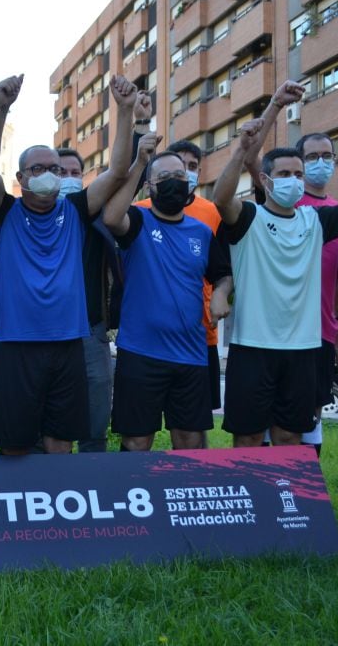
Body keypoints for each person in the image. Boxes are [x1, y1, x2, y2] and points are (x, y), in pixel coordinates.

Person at [0, 74, 136, 456]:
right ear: (20, 179)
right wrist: (1, 109)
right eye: (38, 169)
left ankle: (55, 515)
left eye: (55, 168)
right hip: (16, 346)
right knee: (14, 444)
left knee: (60, 441)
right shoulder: (5, 213)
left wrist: (126, 111)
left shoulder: (75, 211)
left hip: (68, 344)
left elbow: (115, 172)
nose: (49, 175)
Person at [212, 110, 338, 448]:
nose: (293, 180)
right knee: (247, 437)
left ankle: (284, 500)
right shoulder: (249, 217)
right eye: (284, 174)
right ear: (265, 180)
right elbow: (221, 198)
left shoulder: (316, 220)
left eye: (298, 174)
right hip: (253, 346)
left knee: (290, 436)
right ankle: (252, 500)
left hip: (303, 349)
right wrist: (239, 150)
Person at [103, 133, 233, 451]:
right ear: (150, 186)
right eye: (164, 177)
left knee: (190, 440)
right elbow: (110, 217)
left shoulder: (202, 232)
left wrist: (221, 293)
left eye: (180, 175)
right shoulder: (137, 221)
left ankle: (188, 499)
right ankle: (134, 499)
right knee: (136, 441)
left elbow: (223, 274)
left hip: (191, 354)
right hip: (140, 353)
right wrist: (141, 163)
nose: (174, 181)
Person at [242, 81, 338, 455]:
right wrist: (274, 105)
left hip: (316, 333)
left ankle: (300, 502)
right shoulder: (279, 198)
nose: (320, 163)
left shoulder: (335, 211)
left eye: (327, 155)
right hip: (269, 332)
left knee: (305, 422)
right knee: (260, 430)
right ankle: (261, 497)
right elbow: (250, 156)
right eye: (312, 156)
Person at [69, 91, 152, 452]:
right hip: (41, 334)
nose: (68, 178)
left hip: (90, 332)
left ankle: (92, 497)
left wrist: (140, 125)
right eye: (60, 172)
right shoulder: (28, 219)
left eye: (75, 172)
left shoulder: (88, 212)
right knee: (45, 432)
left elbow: (125, 178)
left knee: (94, 426)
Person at [133, 136, 224, 415]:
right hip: (144, 341)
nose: (182, 173)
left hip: (200, 337)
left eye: (190, 167)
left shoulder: (211, 213)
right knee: (138, 433)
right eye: (176, 166)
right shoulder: (139, 212)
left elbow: (222, 270)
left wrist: (221, 295)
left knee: (194, 430)